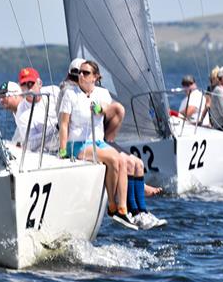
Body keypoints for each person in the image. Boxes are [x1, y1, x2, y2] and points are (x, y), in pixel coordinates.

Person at [58, 60, 165, 229]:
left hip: (97, 142)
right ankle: (113, 207)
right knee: (114, 159)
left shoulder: (101, 93)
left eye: (86, 73)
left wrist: (100, 109)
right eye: (80, 72)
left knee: (124, 160)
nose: (81, 75)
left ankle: (126, 210)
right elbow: (64, 124)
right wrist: (62, 150)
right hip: (76, 144)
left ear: (95, 77)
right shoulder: (70, 94)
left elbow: (108, 109)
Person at [15, 67, 60, 152]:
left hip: (69, 143)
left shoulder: (54, 91)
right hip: (50, 153)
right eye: (24, 84)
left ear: (40, 84)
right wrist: (56, 128)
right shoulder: (21, 113)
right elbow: (29, 144)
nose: (28, 88)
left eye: (31, 83)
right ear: (20, 87)